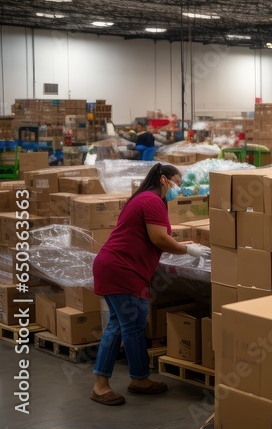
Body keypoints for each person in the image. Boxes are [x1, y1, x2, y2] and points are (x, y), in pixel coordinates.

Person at [91, 163, 210, 406]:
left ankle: (129, 380)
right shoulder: (152, 200)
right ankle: (111, 383)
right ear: (164, 179)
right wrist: (189, 250)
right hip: (123, 270)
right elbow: (159, 239)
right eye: (176, 182)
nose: (179, 188)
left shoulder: (145, 199)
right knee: (131, 325)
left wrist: (182, 244)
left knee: (120, 324)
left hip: (115, 266)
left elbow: (153, 238)